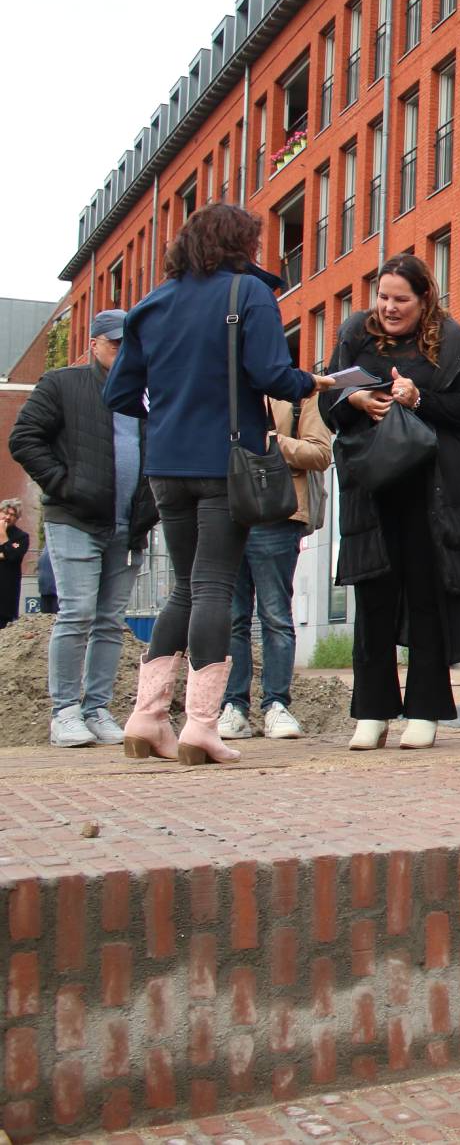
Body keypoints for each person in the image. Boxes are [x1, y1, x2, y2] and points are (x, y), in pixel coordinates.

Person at [103, 208, 333, 765]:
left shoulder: (151, 305)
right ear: (240, 244)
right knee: (211, 586)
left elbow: (119, 394)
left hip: (166, 464)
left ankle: (147, 715)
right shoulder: (246, 294)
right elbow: (274, 376)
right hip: (224, 461)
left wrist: (169, 418)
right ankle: (202, 723)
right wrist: (312, 382)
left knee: (184, 586)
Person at [322, 253, 460, 751]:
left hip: (431, 492)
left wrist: (417, 398)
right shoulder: (355, 333)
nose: (389, 308)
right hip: (371, 490)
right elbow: (326, 402)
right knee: (372, 599)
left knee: (426, 599)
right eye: (383, 298)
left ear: (425, 299)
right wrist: (353, 400)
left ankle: (425, 710)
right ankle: (371, 712)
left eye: (402, 299)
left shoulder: (453, 342)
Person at [9, 310, 160, 747]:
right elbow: (24, 438)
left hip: (128, 526)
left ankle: (96, 709)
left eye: (131, 344)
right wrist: (63, 484)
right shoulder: (63, 384)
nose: (125, 351)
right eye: (116, 344)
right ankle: (65, 713)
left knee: (110, 621)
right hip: (76, 519)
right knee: (77, 614)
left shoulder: (149, 394)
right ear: (93, 344)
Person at [218, 393, 332, 740]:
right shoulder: (220, 391)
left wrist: (274, 443)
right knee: (232, 617)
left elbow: (320, 453)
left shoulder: (302, 395)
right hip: (228, 513)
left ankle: (276, 705)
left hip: (278, 515)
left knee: (275, 615)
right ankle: (233, 706)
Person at [0, 499, 27, 630]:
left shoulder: (21, 537)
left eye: (12, 515)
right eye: (5, 513)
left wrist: (3, 536)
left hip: (6, 592)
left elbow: (14, 557)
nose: (8, 517)